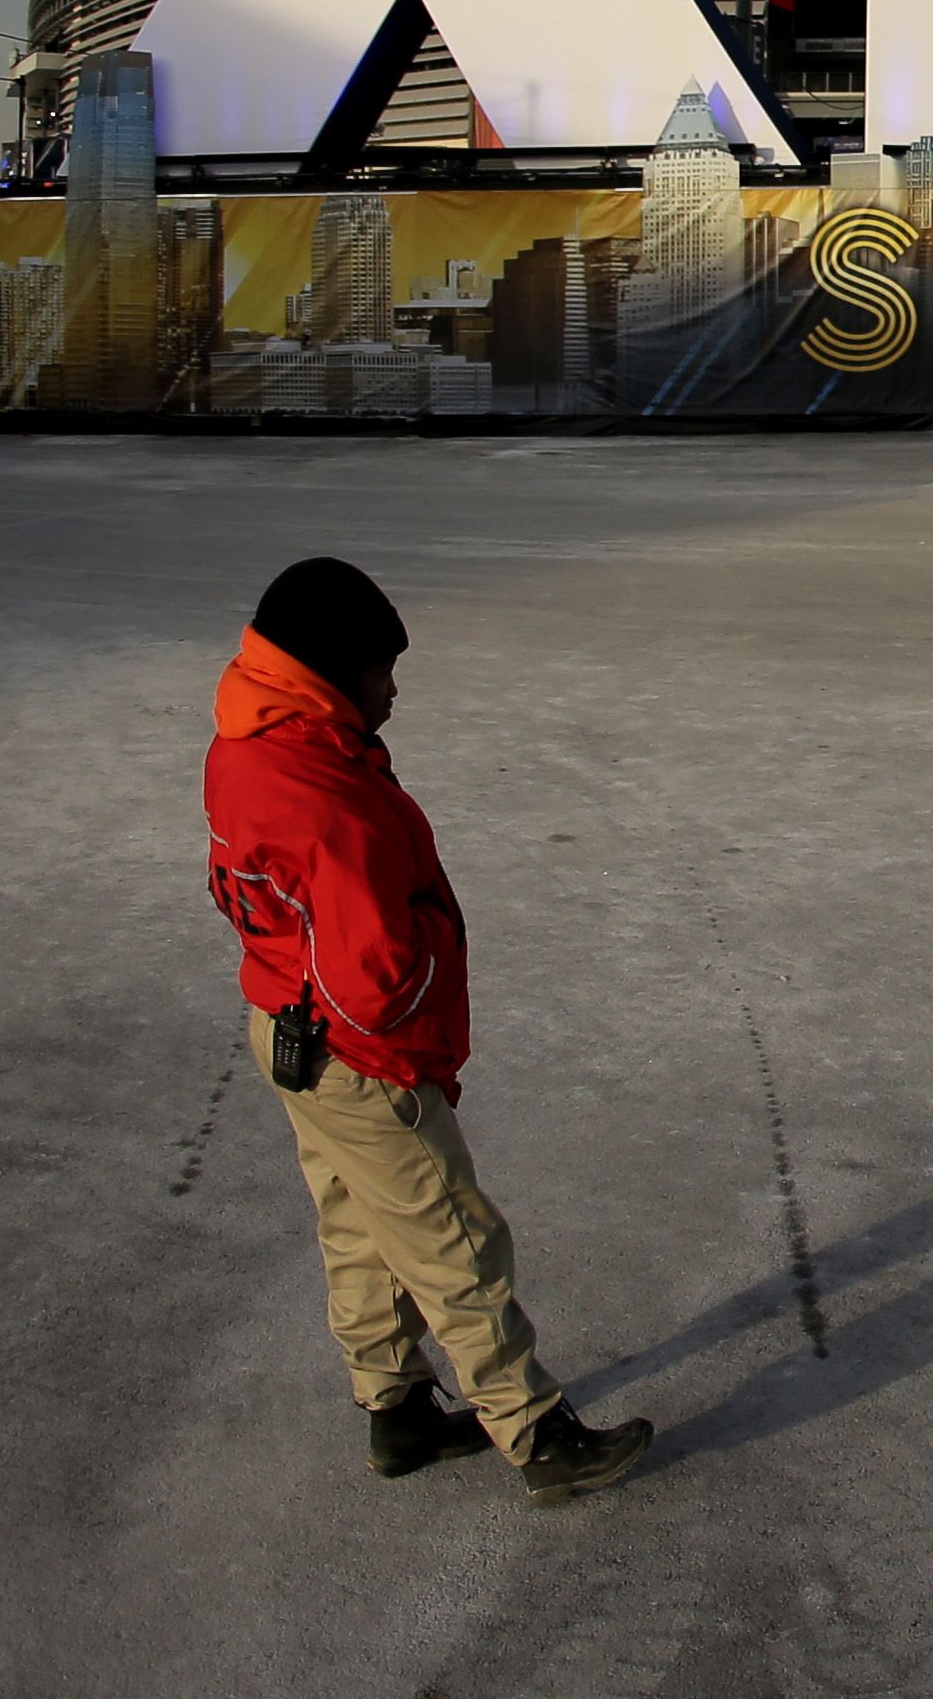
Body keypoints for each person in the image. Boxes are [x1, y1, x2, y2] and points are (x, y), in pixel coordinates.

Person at [203, 556, 652, 1502]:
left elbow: (244, 891)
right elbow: (374, 981)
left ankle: (395, 1408)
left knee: (359, 1222)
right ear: (328, 672)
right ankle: (532, 1430)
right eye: (380, 672)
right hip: (358, 1055)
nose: (394, 689)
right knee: (453, 1237)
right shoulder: (325, 796)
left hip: (285, 1027)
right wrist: (416, 1059)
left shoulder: (252, 745)